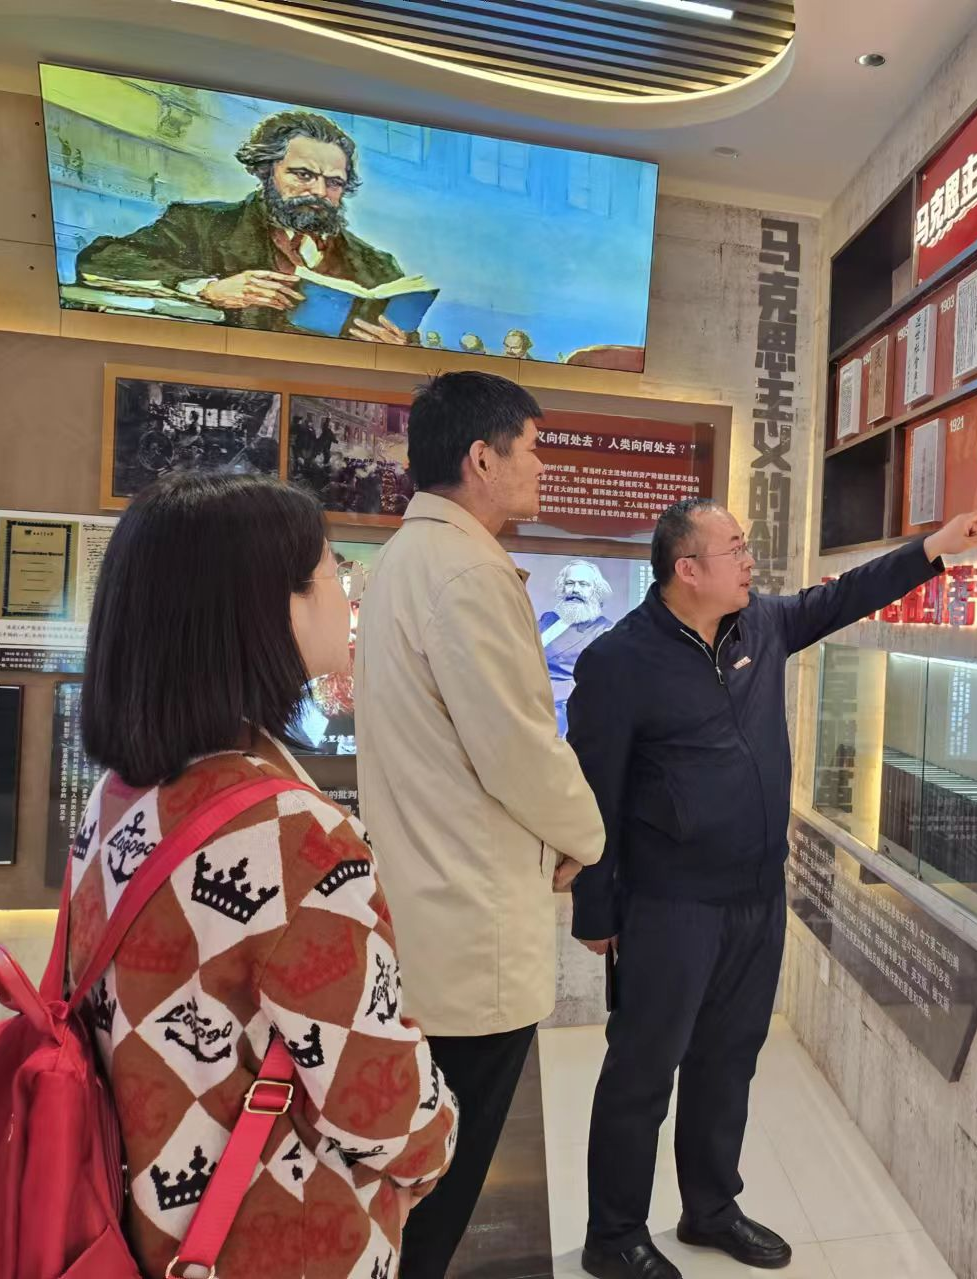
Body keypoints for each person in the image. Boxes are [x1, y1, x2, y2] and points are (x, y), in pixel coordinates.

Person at [567, 498, 977, 1279]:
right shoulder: (618, 662)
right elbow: (594, 795)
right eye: (734, 549)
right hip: (669, 904)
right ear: (687, 569)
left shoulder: (759, 626)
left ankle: (710, 1208)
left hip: (757, 897)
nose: (749, 561)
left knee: (729, 1060)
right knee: (642, 1071)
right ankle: (614, 1233)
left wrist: (931, 547)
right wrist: (595, 912)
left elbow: (843, 596)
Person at [67, 472, 458, 1278]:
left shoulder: (117, 796)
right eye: (331, 571)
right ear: (268, 608)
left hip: (133, 1217)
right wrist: (436, 1141)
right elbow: (376, 1095)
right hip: (275, 1235)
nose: (346, 593)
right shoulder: (290, 832)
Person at [354, 370, 606, 1278]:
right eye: (532, 447)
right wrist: (588, 836)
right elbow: (521, 747)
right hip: (470, 930)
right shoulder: (467, 571)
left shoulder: (406, 557)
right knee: (440, 1184)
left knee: (417, 1173)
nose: (542, 465)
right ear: (481, 458)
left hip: (430, 909)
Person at [76, 111, 410, 344]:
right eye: (303, 175)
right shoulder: (202, 224)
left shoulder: (377, 267)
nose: (320, 192)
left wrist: (399, 348)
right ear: (266, 170)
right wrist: (208, 289)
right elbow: (103, 258)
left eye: (334, 182)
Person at [539, 560, 617, 735]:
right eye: (569, 583)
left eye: (583, 584)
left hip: (561, 709)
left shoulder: (605, 630)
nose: (575, 590)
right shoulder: (548, 619)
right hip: (526, 697)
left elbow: (599, 685)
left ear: (596, 591)